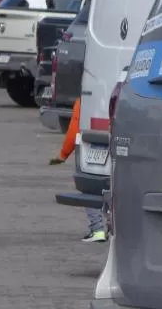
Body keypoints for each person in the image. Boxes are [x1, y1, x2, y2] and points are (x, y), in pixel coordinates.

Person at [50, 98, 106, 242]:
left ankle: (98, 229)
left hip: (93, 147)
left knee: (91, 188)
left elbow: (75, 128)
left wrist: (63, 155)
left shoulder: (86, 99)